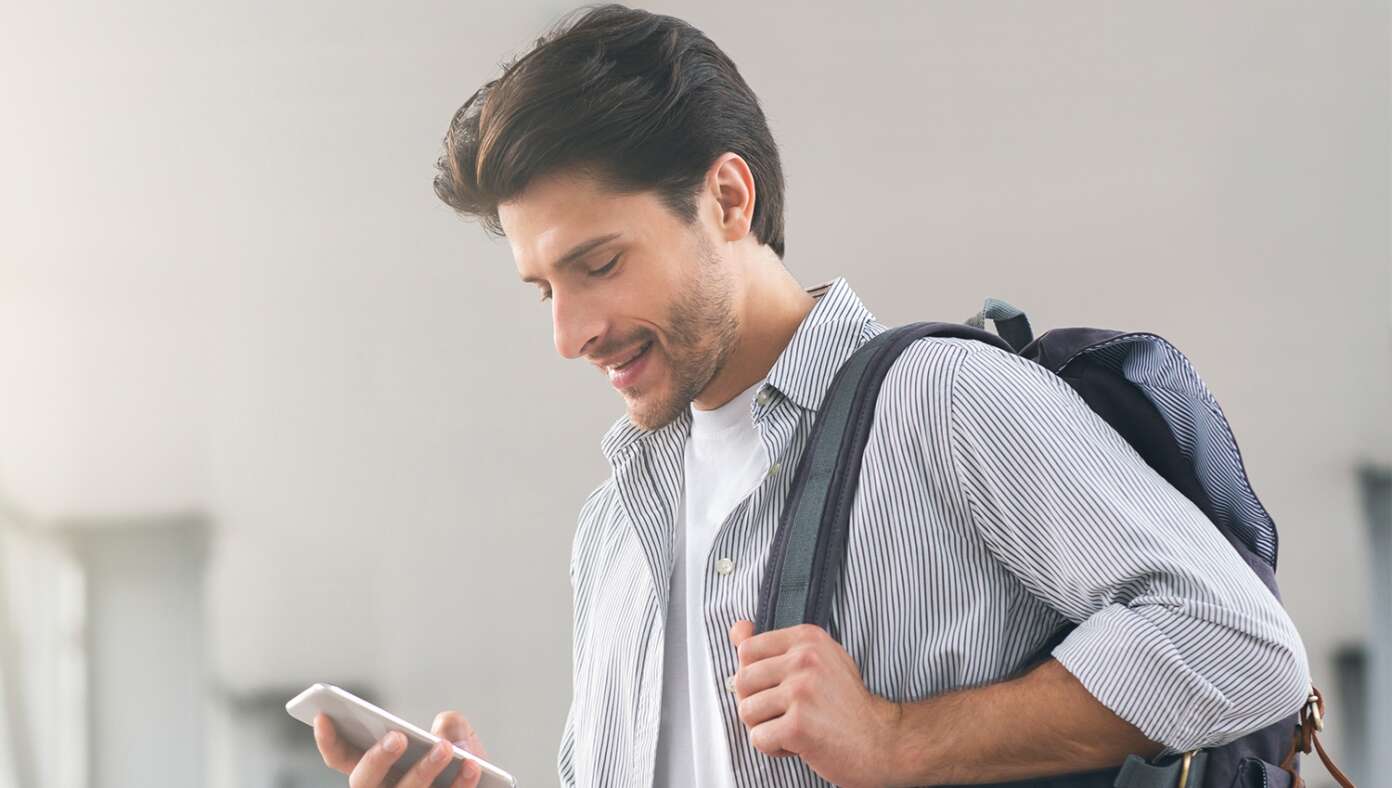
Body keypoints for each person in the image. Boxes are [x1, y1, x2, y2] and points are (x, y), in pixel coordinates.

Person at [313, 4, 1311, 787]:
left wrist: (899, 737)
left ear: (728, 199)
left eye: (600, 264)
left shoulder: (942, 401)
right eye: (545, 289)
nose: (569, 334)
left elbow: (1243, 647)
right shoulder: (611, 530)